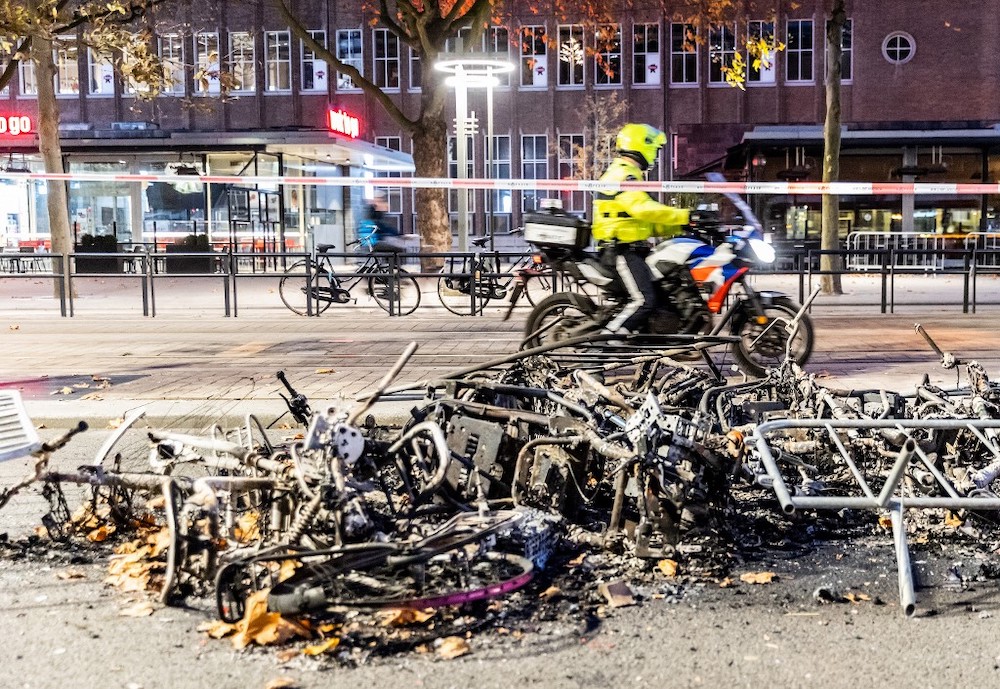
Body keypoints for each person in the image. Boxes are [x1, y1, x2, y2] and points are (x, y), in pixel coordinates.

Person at [592, 123, 708, 336]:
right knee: (644, 300)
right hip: (620, 251)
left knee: (665, 293)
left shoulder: (631, 174)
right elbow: (643, 208)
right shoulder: (621, 174)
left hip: (634, 248)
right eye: (654, 149)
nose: (654, 155)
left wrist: (683, 225)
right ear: (641, 145)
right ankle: (604, 343)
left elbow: (647, 223)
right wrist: (685, 215)